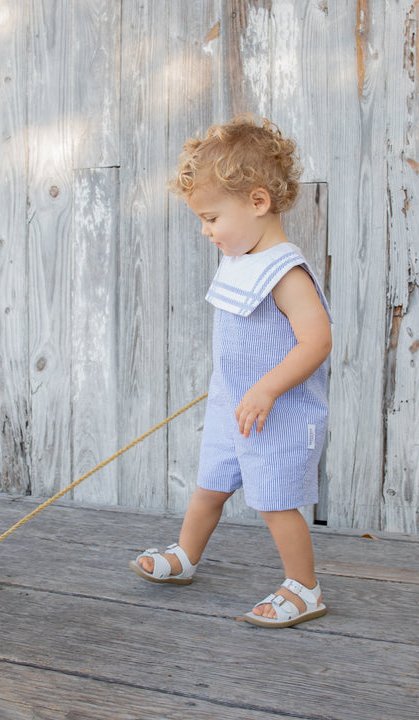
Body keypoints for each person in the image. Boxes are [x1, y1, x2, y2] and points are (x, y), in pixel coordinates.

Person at [129, 115, 333, 628]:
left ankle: (303, 588)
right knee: (210, 486)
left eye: (213, 217)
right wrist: (232, 385)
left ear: (258, 202)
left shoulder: (286, 272)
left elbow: (317, 341)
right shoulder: (239, 258)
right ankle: (185, 556)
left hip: (276, 410)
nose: (206, 231)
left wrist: (265, 389)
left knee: (275, 501)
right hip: (233, 405)